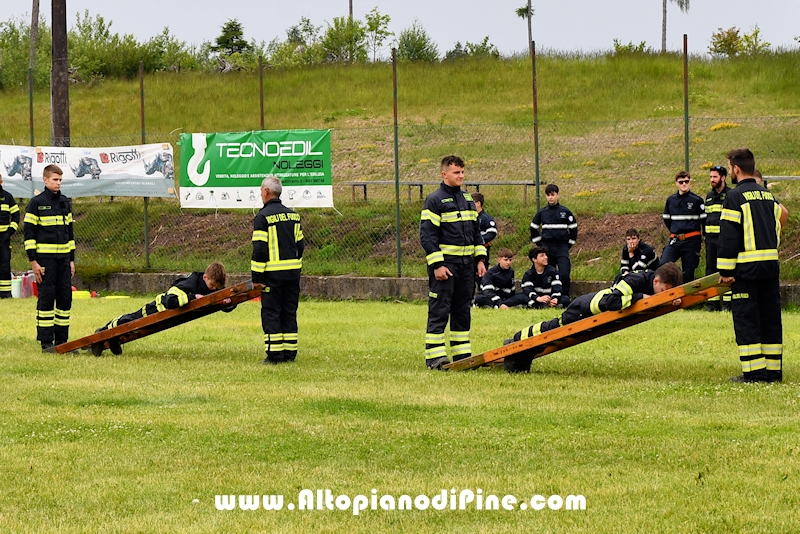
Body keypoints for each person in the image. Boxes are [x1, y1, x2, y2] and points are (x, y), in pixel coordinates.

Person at [718, 148, 788, 383]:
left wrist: (726, 271)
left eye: (729, 168)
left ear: (736, 169)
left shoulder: (734, 197)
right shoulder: (768, 196)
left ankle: (754, 373)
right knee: (770, 318)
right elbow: (779, 221)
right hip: (770, 267)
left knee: (747, 318)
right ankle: (773, 372)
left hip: (746, 270)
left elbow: (728, 238)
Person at [507, 262, 683, 343]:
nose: (662, 295)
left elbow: (654, 298)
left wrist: (669, 300)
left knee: (554, 327)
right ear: (656, 282)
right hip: (584, 308)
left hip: (590, 305)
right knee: (554, 328)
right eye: (664, 292)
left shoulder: (651, 282)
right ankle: (517, 339)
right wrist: (638, 297)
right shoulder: (635, 281)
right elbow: (613, 302)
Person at [420, 155, 487, 370]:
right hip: (446, 266)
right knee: (440, 309)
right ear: (444, 174)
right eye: (456, 172)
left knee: (462, 310)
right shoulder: (434, 200)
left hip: (467, 266)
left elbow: (476, 232)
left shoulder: (468, 199)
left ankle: (462, 355)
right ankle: (435, 358)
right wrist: (437, 265)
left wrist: (480, 259)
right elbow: (428, 236)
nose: (461, 176)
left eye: (462, 172)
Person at [95, 262, 231, 354]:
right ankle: (103, 332)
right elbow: (170, 301)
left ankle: (114, 339)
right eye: (212, 286)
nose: (213, 289)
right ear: (205, 277)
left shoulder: (211, 284)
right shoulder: (189, 284)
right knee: (131, 321)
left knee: (133, 323)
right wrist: (193, 298)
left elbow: (224, 304)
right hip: (158, 307)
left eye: (216, 288)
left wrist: (228, 302)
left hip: (170, 311)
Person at [252, 176, 304, 365]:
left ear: (266, 191)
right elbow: (301, 245)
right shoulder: (293, 216)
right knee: (289, 312)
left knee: (271, 313)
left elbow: (259, 249)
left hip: (272, 276)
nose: (260, 193)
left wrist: (257, 277)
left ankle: (275, 356)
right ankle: (289, 353)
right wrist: (295, 266)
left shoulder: (262, 217)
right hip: (292, 274)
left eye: (260, 190)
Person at [24, 165, 75, 351]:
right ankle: (46, 342)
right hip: (45, 261)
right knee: (46, 298)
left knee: (65, 298)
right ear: (45, 180)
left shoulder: (64, 202)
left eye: (60, 180)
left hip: (63, 260)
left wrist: (71, 260)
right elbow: (28, 236)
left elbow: (70, 233)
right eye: (55, 179)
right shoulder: (35, 203)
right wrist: (34, 262)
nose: (58, 183)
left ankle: (63, 340)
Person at [530, 183, 577, 298]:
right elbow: (533, 227)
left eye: (553, 194)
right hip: (547, 247)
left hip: (561, 247)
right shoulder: (542, 212)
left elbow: (574, 229)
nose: (550, 197)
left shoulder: (565, 212)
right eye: (548, 195)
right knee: (548, 273)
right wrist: (540, 245)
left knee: (564, 273)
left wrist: (568, 245)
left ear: (557, 195)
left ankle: (564, 297)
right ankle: (548, 297)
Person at [660, 171, 706, 284]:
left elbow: (704, 221)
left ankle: (687, 299)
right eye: (681, 182)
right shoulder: (671, 200)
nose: (684, 184)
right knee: (663, 265)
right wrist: (676, 229)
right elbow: (667, 219)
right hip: (675, 240)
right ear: (676, 183)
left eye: (686, 181)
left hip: (691, 241)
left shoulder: (697, 200)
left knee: (688, 271)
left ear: (690, 182)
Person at [703, 165, 732, 311]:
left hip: (725, 241)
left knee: (727, 270)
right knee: (711, 271)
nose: (712, 180)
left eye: (714, 177)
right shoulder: (709, 197)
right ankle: (712, 304)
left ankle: (727, 304)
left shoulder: (731, 196)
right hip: (711, 241)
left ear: (723, 178)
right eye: (710, 177)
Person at [0, 173, 20, 298]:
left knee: (4, 265)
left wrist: (9, 232)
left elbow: (16, 216)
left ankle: (6, 293)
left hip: (3, 239)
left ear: (1, 181)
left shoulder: (7, 197)